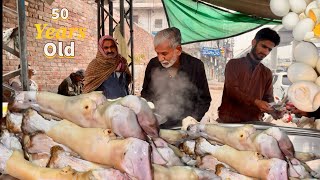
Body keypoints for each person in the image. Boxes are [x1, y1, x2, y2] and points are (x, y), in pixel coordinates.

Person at [141, 27, 212, 129]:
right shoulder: (153, 65)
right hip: (158, 126)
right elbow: (146, 93)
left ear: (178, 50)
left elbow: (204, 100)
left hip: (186, 128)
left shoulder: (196, 66)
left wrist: (192, 120)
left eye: (164, 53)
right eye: (158, 53)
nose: (160, 58)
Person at [218, 28, 281, 123]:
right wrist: (256, 102)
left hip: (254, 123)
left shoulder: (266, 72)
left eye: (269, 50)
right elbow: (232, 91)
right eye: (263, 46)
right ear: (254, 42)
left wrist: (274, 111)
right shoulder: (233, 64)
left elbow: (268, 98)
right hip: (229, 122)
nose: (266, 52)